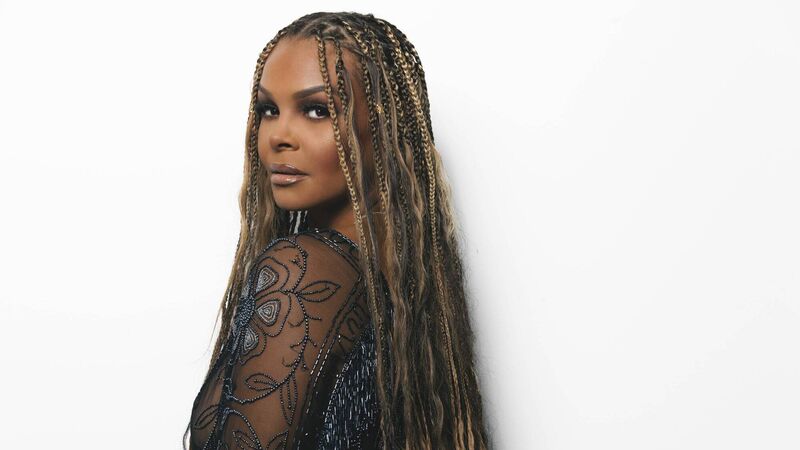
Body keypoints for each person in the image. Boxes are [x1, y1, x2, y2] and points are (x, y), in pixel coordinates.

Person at [185, 11, 490, 450]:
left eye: (316, 110)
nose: (278, 136)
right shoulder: (406, 296)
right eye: (269, 110)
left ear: (383, 129)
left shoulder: (301, 272)